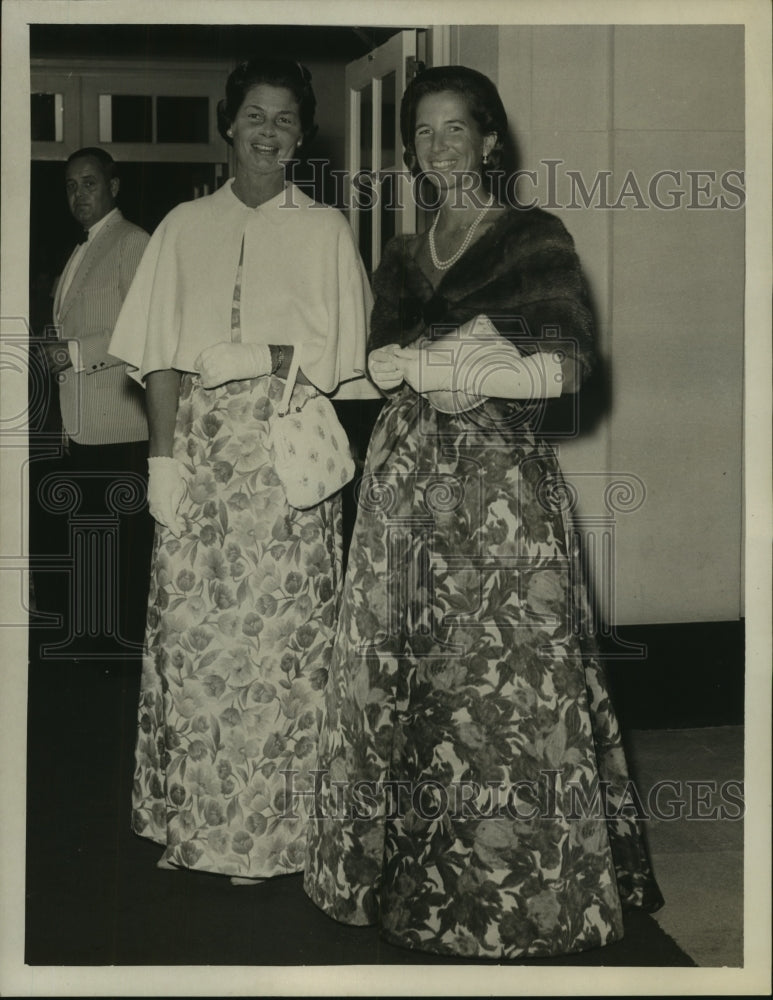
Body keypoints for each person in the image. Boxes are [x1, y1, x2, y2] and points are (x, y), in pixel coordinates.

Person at [304, 66, 663, 958]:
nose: (437, 150)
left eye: (454, 130)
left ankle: (530, 897)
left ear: (489, 140)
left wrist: (459, 369)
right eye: (421, 135)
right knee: (410, 676)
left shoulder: (531, 235)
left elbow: (570, 362)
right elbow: (374, 362)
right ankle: (415, 891)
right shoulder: (397, 252)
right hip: (402, 491)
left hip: (497, 493)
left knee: (506, 683)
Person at [108, 57, 374, 883]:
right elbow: (158, 358)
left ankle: (270, 839)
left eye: (285, 120)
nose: (268, 133)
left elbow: (347, 358)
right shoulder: (185, 226)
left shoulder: (327, 228)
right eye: (254, 116)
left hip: (286, 458)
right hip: (198, 456)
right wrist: (160, 462)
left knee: (279, 651)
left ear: (303, 136)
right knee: (195, 643)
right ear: (229, 125)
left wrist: (266, 352)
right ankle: (197, 825)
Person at [41, 147, 153, 646]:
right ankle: (96, 649)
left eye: (89, 183)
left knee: (120, 557)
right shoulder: (81, 248)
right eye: (70, 186)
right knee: (92, 551)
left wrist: (71, 353)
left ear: (114, 186)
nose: (78, 194)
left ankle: (118, 655)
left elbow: (142, 329)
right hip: (82, 428)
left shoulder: (133, 242)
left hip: (119, 429)